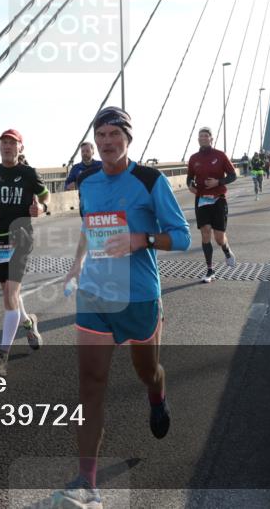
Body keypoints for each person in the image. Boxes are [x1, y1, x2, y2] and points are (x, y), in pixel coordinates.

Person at [54, 107, 190, 509]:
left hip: (139, 295)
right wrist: (77, 264)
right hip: (96, 293)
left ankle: (157, 393)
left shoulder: (150, 180)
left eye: (115, 134)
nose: (107, 141)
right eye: (101, 134)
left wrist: (140, 240)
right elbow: (87, 226)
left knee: (146, 370)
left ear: (128, 139)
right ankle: (87, 482)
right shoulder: (89, 181)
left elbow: (180, 236)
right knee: (91, 385)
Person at [0, 129, 50, 376]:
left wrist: (42, 206)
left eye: (12, 143)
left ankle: (2, 356)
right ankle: (29, 322)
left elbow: (46, 195)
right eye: (4, 143)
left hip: (21, 238)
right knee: (8, 292)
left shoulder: (28, 173)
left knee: (10, 293)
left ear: (20, 148)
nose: (7, 146)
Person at [187, 127, 238, 283]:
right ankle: (210, 270)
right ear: (198, 139)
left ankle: (226, 250)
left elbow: (233, 175)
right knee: (205, 232)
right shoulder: (193, 158)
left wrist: (218, 182)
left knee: (219, 237)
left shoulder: (220, 155)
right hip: (201, 199)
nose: (203, 138)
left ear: (211, 139)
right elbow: (189, 178)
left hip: (218, 199)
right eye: (200, 136)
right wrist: (190, 185)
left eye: (206, 136)